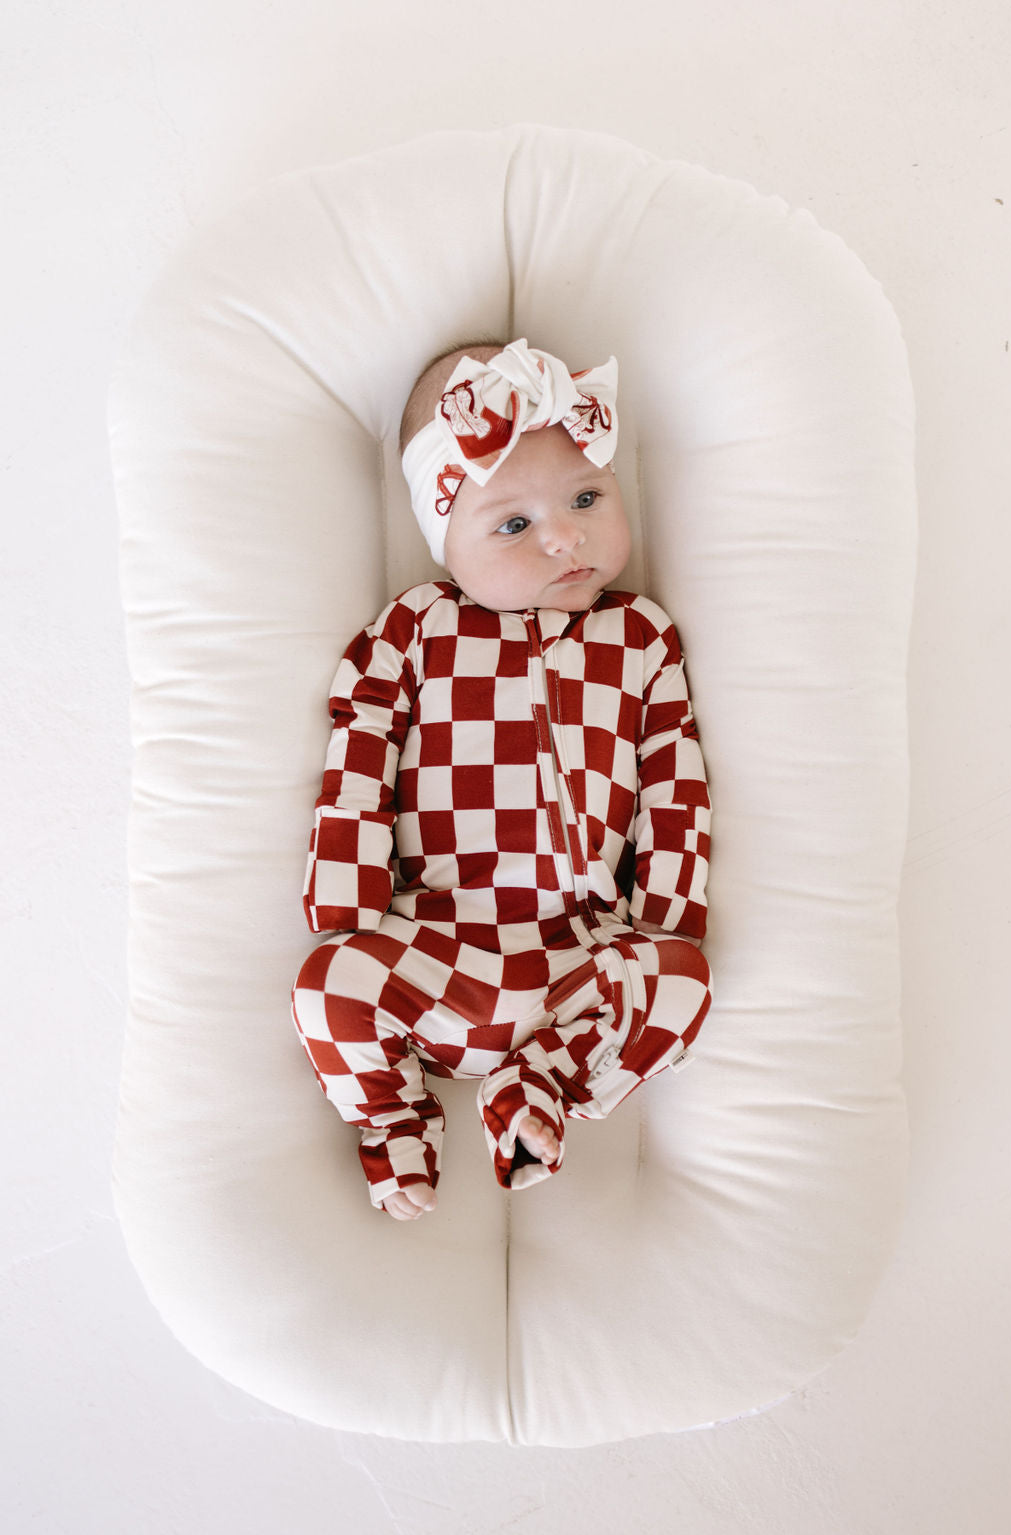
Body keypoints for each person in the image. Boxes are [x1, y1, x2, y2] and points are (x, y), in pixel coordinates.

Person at [291, 339, 712, 1220]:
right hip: (442, 945)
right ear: (445, 540)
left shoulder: (640, 637)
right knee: (328, 982)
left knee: (685, 978)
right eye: (512, 524)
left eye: (587, 497)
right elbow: (360, 746)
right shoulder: (420, 627)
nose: (566, 535)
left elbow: (676, 779)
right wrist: (348, 903)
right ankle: (393, 1118)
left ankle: (538, 1090)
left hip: (585, 956)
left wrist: (670, 916)